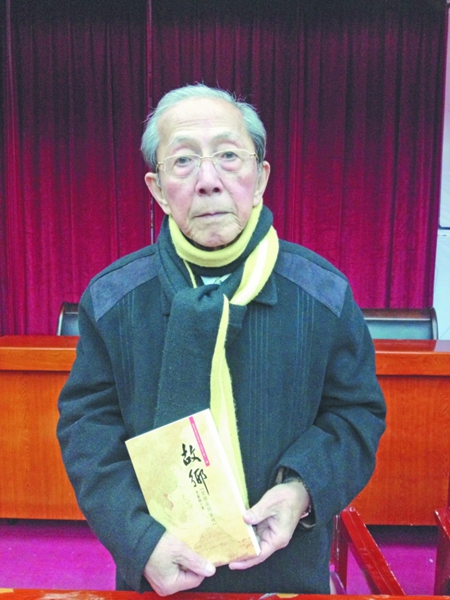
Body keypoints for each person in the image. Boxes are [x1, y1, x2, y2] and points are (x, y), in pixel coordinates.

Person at [57, 83, 386, 595]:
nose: (208, 181)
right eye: (184, 161)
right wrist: (141, 541)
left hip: (285, 571)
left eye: (229, 156)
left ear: (260, 178)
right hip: (158, 573)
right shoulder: (114, 299)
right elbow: (88, 430)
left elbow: (356, 414)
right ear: (158, 189)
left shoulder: (321, 293)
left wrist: (301, 490)